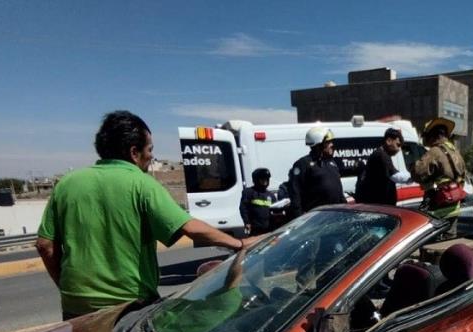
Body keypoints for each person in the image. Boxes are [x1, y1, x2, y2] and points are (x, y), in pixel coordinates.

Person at [36, 110, 246, 320]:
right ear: (134, 152)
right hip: (128, 308)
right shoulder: (142, 184)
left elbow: (45, 245)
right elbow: (190, 228)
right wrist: (239, 244)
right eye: (150, 149)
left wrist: (68, 290)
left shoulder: (67, 184)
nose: (152, 156)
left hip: (75, 309)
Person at [414, 117, 467, 239]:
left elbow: (418, 172)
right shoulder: (455, 151)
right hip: (454, 205)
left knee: (434, 242)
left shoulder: (435, 152)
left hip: (438, 206)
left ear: (432, 135)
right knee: (450, 240)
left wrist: (414, 165)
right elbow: (463, 174)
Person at [286, 126, 346, 218]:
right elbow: (295, 193)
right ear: (319, 144)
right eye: (328, 142)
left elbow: (339, 190)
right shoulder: (303, 164)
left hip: (336, 216)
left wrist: (345, 208)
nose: (332, 145)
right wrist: (299, 218)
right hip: (316, 219)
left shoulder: (332, 162)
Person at [355, 127, 411, 205]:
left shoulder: (382, 154)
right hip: (378, 206)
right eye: (398, 145)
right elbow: (395, 176)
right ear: (388, 141)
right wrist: (415, 176)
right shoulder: (382, 155)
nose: (399, 149)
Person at [240, 168, 278, 236]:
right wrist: (247, 222)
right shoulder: (249, 192)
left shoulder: (270, 195)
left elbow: (275, 210)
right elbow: (243, 208)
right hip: (255, 230)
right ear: (256, 180)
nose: (265, 181)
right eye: (262, 179)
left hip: (269, 229)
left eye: (266, 179)